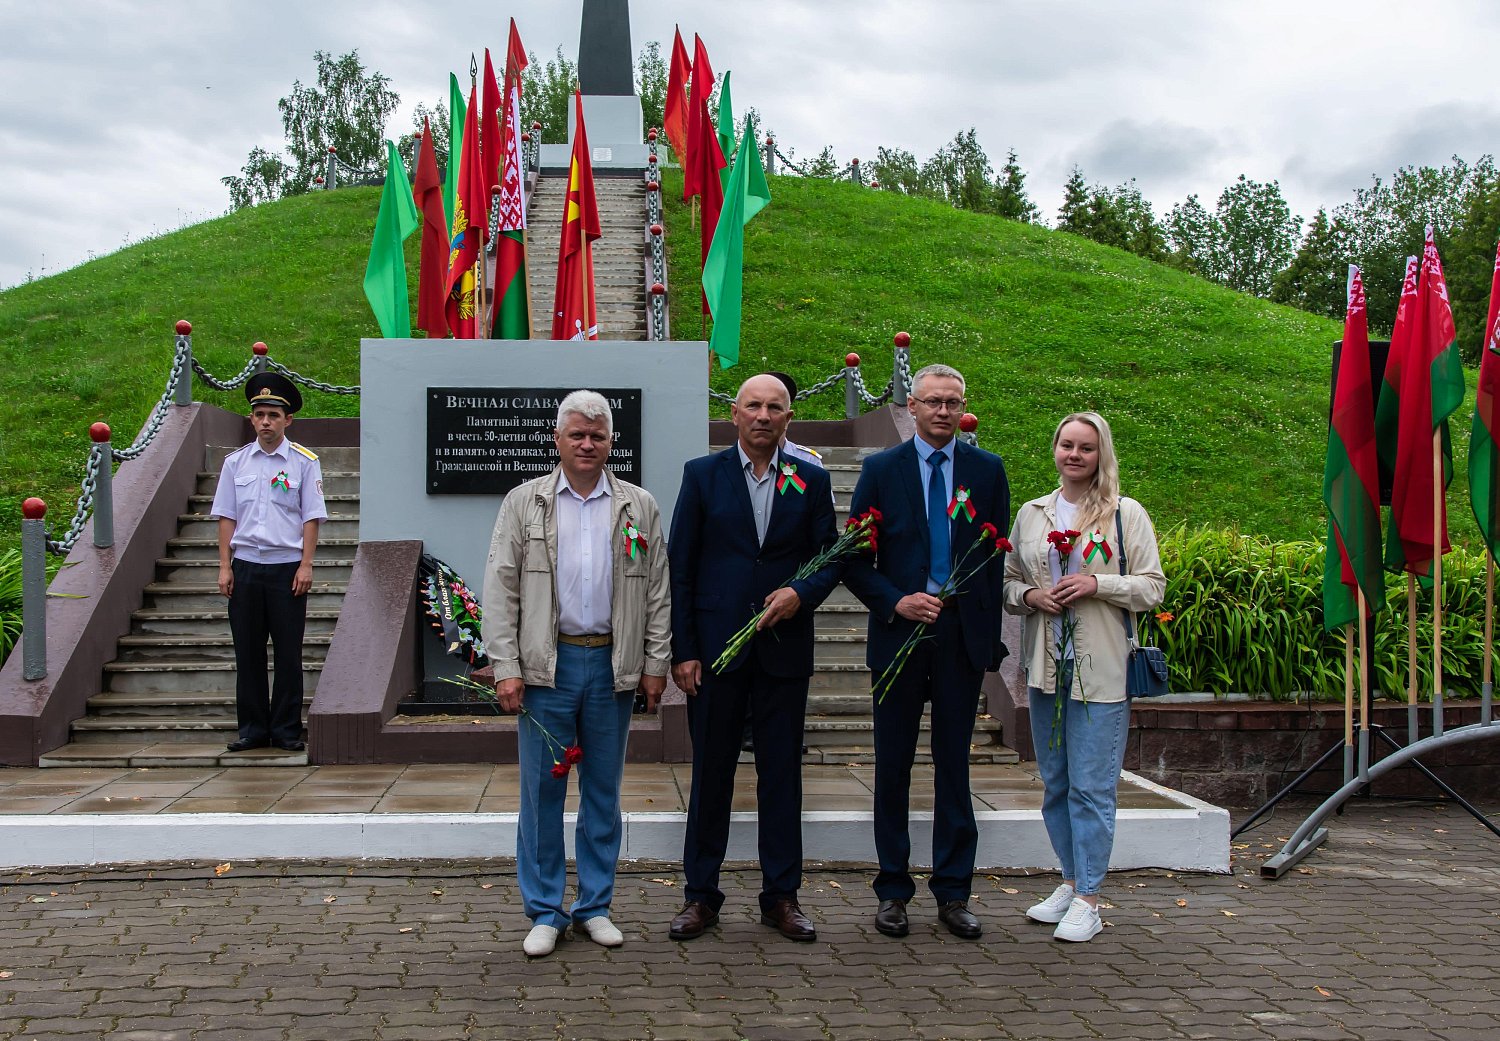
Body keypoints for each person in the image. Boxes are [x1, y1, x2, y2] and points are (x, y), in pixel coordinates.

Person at [481, 390, 671, 958]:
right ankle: (544, 909)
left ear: (612, 442)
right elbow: (501, 586)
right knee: (542, 792)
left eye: (599, 436)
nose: (588, 444)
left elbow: (658, 588)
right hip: (548, 667)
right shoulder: (525, 502)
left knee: (602, 793)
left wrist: (655, 663)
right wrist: (506, 667)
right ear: (558, 440)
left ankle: (594, 906)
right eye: (577, 435)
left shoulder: (638, 505)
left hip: (612, 664)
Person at [667, 373, 840, 943]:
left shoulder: (810, 480)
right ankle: (701, 896)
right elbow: (682, 567)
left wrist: (800, 594)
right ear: (735, 415)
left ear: (789, 417)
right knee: (711, 776)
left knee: (782, 778)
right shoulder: (702, 476)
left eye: (776, 407)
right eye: (754, 407)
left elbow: (829, 559)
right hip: (715, 656)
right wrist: (684, 651)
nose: (764, 416)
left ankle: (781, 897)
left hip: (783, 654)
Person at [843, 362, 1009, 940]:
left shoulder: (987, 472)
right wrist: (896, 602)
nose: (943, 411)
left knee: (954, 768)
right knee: (892, 768)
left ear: (964, 409)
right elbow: (853, 558)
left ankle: (954, 891)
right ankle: (892, 889)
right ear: (910, 406)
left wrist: (988, 644)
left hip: (960, 640)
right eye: (933, 401)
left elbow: (993, 558)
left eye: (953, 402)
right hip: (899, 637)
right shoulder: (881, 470)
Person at [1003, 411, 1165, 942]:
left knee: (1093, 788)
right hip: (1047, 668)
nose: (1075, 455)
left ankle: (1091, 897)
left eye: (1086, 448)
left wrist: (1099, 585)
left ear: (1101, 455)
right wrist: (1030, 596)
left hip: (1102, 671)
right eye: (1066, 445)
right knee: (1056, 783)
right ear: (1054, 450)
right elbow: (1006, 581)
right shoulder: (1032, 514)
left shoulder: (1125, 513)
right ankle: (1069, 881)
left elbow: (1152, 587)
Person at [212, 372, 327, 753]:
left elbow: (310, 517)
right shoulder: (235, 463)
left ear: (287, 420)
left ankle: (287, 729)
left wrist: (306, 565)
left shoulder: (304, 463)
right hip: (245, 566)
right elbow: (227, 516)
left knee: (288, 653)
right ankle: (253, 730)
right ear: (252, 419)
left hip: (286, 569)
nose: (265, 422)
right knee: (248, 652)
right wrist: (224, 566)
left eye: (273, 416)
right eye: (259, 414)